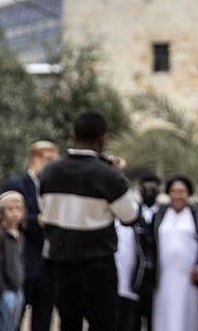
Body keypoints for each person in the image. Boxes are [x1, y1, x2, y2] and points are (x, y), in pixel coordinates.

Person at [38, 111, 139, 331]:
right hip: (98, 265)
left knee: (68, 322)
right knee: (103, 324)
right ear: (103, 139)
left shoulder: (48, 172)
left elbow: (44, 210)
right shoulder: (109, 177)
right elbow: (130, 216)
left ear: (72, 135)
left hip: (61, 263)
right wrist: (117, 174)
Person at [0, 140, 59, 331]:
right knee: (14, 320)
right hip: (22, 263)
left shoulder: (55, 188)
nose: (52, 165)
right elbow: (6, 218)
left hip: (49, 265)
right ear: (34, 158)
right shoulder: (15, 184)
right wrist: (36, 221)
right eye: (48, 160)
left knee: (43, 320)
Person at [151, 174, 198, 331]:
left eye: (182, 191)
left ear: (188, 194)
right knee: (164, 314)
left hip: (189, 277)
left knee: (187, 315)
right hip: (164, 276)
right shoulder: (160, 214)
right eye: (173, 191)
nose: (177, 195)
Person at [0, 191, 27, 331]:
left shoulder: (21, 237)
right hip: (6, 291)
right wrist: (1, 291)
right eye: (10, 209)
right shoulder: (0, 236)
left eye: (18, 209)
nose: (15, 213)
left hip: (18, 289)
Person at [134, 174, 161, 331]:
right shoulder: (134, 212)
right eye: (145, 190)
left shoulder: (164, 213)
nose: (149, 193)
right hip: (136, 274)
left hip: (157, 276)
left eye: (153, 189)